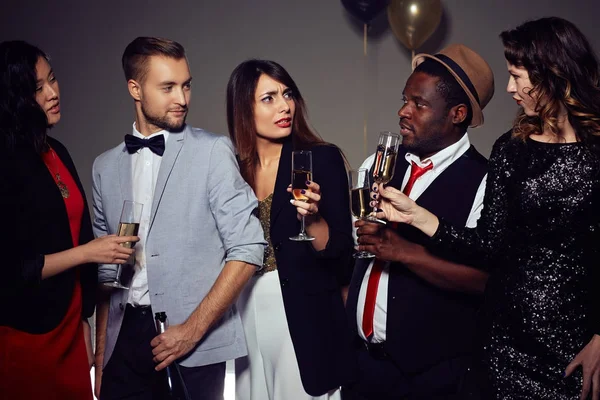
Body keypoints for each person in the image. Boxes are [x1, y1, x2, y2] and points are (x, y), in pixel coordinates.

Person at [372, 17, 600, 400]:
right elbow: (486, 245)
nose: (510, 88)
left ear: (554, 73)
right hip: (500, 342)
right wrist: (414, 214)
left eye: (517, 76)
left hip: (574, 344)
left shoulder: (596, 154)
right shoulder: (511, 148)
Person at [93, 37, 266, 400]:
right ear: (135, 89)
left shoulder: (213, 151)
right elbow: (106, 275)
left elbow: (249, 247)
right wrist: (101, 354)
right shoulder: (103, 167)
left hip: (193, 344)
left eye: (186, 85)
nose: (183, 99)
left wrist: (191, 329)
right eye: (168, 87)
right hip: (122, 348)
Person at [343, 44, 494, 400]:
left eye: (419, 104)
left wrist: (404, 252)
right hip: (361, 367)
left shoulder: (486, 181)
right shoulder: (377, 164)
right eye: (404, 99)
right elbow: (350, 251)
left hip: (431, 379)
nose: (402, 112)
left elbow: (485, 282)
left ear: (457, 114)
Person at [0, 41, 136, 399]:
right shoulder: (6, 163)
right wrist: (88, 253)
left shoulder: (55, 150)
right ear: (14, 97)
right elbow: (11, 271)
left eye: (53, 80)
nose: (52, 92)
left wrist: (85, 321)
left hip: (70, 328)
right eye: (37, 88)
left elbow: (76, 230)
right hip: (27, 333)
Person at [226, 59, 356, 399]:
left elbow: (342, 253)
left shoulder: (318, 159)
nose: (285, 106)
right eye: (269, 98)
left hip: (302, 318)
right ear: (244, 108)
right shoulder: (231, 171)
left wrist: (312, 219)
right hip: (243, 311)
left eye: (287, 94)